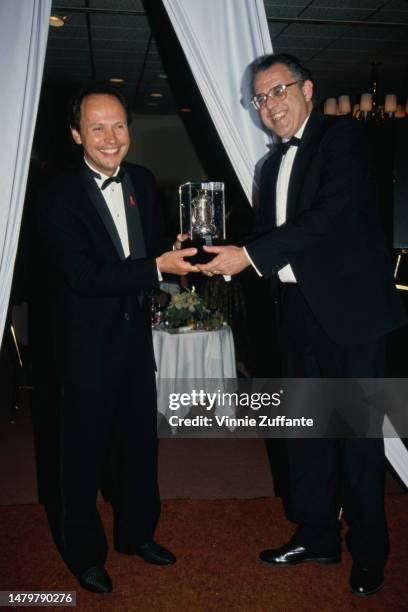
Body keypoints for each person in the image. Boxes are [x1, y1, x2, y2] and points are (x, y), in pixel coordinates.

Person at [198, 54, 406, 596]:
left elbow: (329, 217)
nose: (270, 105)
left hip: (353, 314)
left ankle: (369, 549)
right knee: (306, 435)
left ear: (308, 89)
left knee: (357, 439)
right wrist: (209, 248)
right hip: (295, 314)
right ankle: (316, 535)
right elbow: (272, 235)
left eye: (279, 90)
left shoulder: (342, 140)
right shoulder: (268, 168)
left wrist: (248, 253)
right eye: (260, 98)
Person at [38, 83, 198, 594]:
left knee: (137, 448)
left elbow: (145, 255)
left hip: (134, 343)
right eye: (97, 127)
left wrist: (171, 252)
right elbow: (84, 276)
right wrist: (155, 265)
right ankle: (84, 555)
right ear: (76, 135)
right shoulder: (56, 195)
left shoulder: (144, 181)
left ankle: (137, 535)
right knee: (80, 458)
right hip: (81, 349)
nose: (111, 138)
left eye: (119, 125)